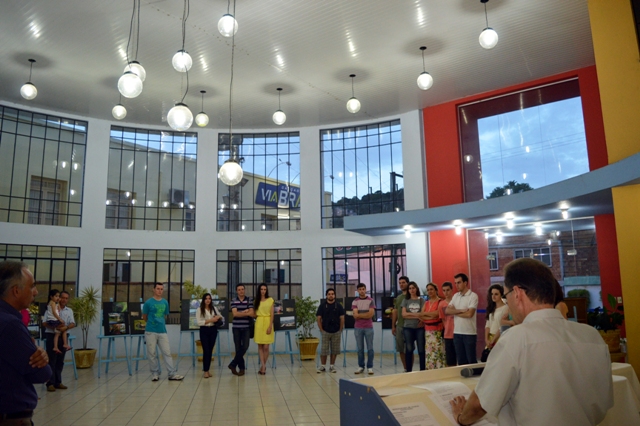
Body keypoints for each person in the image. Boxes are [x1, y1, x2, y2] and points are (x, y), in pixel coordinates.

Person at [450, 258, 613, 426]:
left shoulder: (516, 338)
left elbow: (480, 404)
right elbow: (604, 403)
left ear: (517, 293)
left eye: (506, 296)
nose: (507, 304)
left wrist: (461, 417)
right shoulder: (592, 336)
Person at [0, 260, 51, 425]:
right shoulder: (10, 325)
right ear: (16, 291)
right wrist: (38, 353)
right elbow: (41, 373)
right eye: (32, 286)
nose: (36, 292)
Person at [142, 282, 184, 381]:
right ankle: (155, 373)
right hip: (150, 331)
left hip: (162, 331)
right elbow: (144, 317)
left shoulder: (165, 302)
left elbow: (165, 314)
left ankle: (172, 373)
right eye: (158, 288)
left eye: (161, 289)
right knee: (152, 353)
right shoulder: (148, 303)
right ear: (153, 289)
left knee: (167, 352)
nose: (159, 291)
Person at [45, 290, 76, 392]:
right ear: (58, 298)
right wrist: (55, 327)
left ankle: (58, 382)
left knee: (60, 361)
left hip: (63, 336)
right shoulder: (51, 307)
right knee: (51, 360)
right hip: (51, 335)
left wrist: (65, 328)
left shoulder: (69, 311)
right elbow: (44, 323)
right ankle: (50, 383)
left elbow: (73, 323)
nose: (64, 300)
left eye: (66, 298)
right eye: (62, 297)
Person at [445, 273, 478, 365]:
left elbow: (469, 314)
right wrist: (460, 310)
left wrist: (454, 312)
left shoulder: (473, 296)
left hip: (469, 333)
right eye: (455, 283)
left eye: (459, 282)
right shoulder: (455, 296)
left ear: (465, 283)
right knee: (461, 361)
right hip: (457, 333)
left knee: (471, 360)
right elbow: (447, 311)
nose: (456, 285)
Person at [316, 288, 345, 373]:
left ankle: (332, 366)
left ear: (334, 295)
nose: (331, 295)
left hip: (336, 331)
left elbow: (342, 318)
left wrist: (340, 329)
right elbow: (318, 318)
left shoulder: (339, 306)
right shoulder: (322, 306)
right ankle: (323, 366)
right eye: (329, 294)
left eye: (332, 294)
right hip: (325, 331)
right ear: (326, 295)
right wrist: (321, 330)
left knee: (334, 350)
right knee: (324, 350)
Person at [229, 284, 253, 376]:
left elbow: (252, 313)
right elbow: (235, 314)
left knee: (245, 346)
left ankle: (233, 364)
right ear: (236, 291)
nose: (241, 291)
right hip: (236, 328)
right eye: (239, 290)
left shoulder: (249, 300)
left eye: (242, 289)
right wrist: (245, 312)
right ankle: (242, 368)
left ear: (244, 290)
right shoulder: (233, 300)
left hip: (246, 327)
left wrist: (242, 313)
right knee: (238, 348)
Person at [196, 293, 222, 378]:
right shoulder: (199, 309)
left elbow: (220, 316)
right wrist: (210, 320)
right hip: (204, 330)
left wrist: (217, 317)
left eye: (209, 298)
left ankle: (207, 370)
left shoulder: (214, 308)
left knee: (210, 350)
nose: (208, 300)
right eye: (206, 298)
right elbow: (199, 322)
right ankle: (205, 371)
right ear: (203, 300)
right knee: (206, 350)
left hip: (213, 330)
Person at [400, 282, 425, 371]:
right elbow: (404, 314)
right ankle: (409, 370)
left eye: (413, 288)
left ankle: (422, 370)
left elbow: (422, 314)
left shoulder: (421, 300)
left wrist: (410, 314)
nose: (412, 290)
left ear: (416, 289)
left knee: (421, 349)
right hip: (408, 327)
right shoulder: (405, 300)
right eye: (410, 288)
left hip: (419, 328)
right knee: (409, 349)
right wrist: (417, 315)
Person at [352, 283, 375, 375]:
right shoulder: (355, 301)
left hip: (369, 327)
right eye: (360, 289)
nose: (362, 291)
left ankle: (370, 367)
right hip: (358, 327)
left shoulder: (371, 300)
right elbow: (355, 316)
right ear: (357, 291)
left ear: (365, 290)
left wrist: (360, 315)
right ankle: (361, 366)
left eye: (363, 289)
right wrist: (365, 314)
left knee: (370, 348)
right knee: (360, 349)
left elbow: (371, 314)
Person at [421, 283, 446, 369]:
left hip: (437, 331)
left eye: (431, 289)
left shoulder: (440, 302)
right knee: (430, 353)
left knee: (438, 352)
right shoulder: (426, 303)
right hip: (428, 332)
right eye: (428, 290)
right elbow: (421, 315)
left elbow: (437, 314)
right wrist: (431, 316)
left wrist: (427, 314)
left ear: (436, 290)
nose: (429, 291)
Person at [254, 284, 274, 375]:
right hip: (259, 322)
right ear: (259, 290)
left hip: (267, 322)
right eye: (261, 289)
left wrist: (270, 326)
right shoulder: (256, 301)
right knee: (260, 346)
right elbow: (255, 313)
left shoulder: (270, 300)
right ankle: (263, 366)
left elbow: (272, 314)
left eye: (264, 289)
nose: (263, 291)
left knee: (266, 346)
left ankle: (263, 365)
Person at [391, 275, 409, 371]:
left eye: (403, 283)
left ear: (407, 283)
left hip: (410, 326)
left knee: (409, 349)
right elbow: (395, 311)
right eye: (400, 283)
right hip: (400, 326)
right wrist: (393, 326)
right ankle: (405, 368)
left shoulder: (411, 296)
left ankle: (409, 368)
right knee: (401, 348)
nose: (401, 285)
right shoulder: (398, 298)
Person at [43, 289, 70, 353]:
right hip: (53, 321)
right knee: (62, 328)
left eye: (58, 296)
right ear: (51, 296)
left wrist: (58, 303)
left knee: (58, 332)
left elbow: (58, 309)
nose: (58, 298)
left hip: (53, 321)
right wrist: (60, 319)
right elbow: (54, 313)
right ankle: (64, 344)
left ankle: (57, 346)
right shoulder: (52, 303)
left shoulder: (55, 304)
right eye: (56, 296)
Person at [484, 285, 508, 353]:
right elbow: (487, 325)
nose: (493, 296)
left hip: (499, 337)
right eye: (492, 294)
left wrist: (493, 340)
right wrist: (486, 339)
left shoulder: (505, 308)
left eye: (496, 294)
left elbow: (502, 326)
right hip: (490, 337)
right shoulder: (491, 308)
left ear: (501, 295)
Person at [439, 281, 457, 366]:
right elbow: (443, 319)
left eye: (448, 290)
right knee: (450, 357)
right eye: (444, 290)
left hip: (458, 332)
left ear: (452, 290)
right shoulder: (441, 304)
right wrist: (447, 328)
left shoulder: (457, 301)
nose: (446, 292)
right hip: (448, 334)